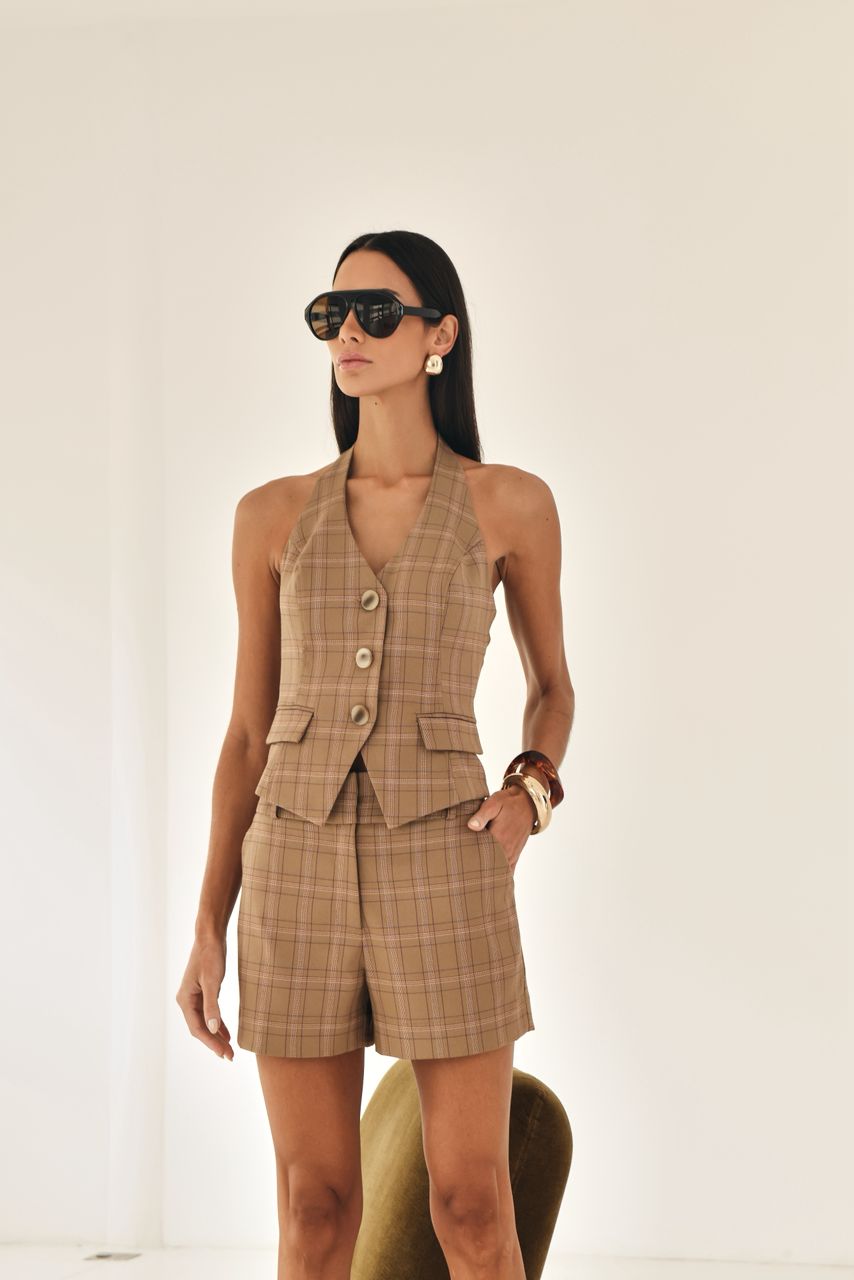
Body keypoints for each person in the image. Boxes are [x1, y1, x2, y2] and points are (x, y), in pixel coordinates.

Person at [176, 229, 574, 1279]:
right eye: (331, 314)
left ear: (440, 335)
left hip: (445, 857)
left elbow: (552, 687)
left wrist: (530, 792)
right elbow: (246, 733)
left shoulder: (509, 503)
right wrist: (209, 921)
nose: (347, 330)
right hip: (294, 866)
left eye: (377, 311)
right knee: (313, 1208)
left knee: (472, 1204)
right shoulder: (270, 515)